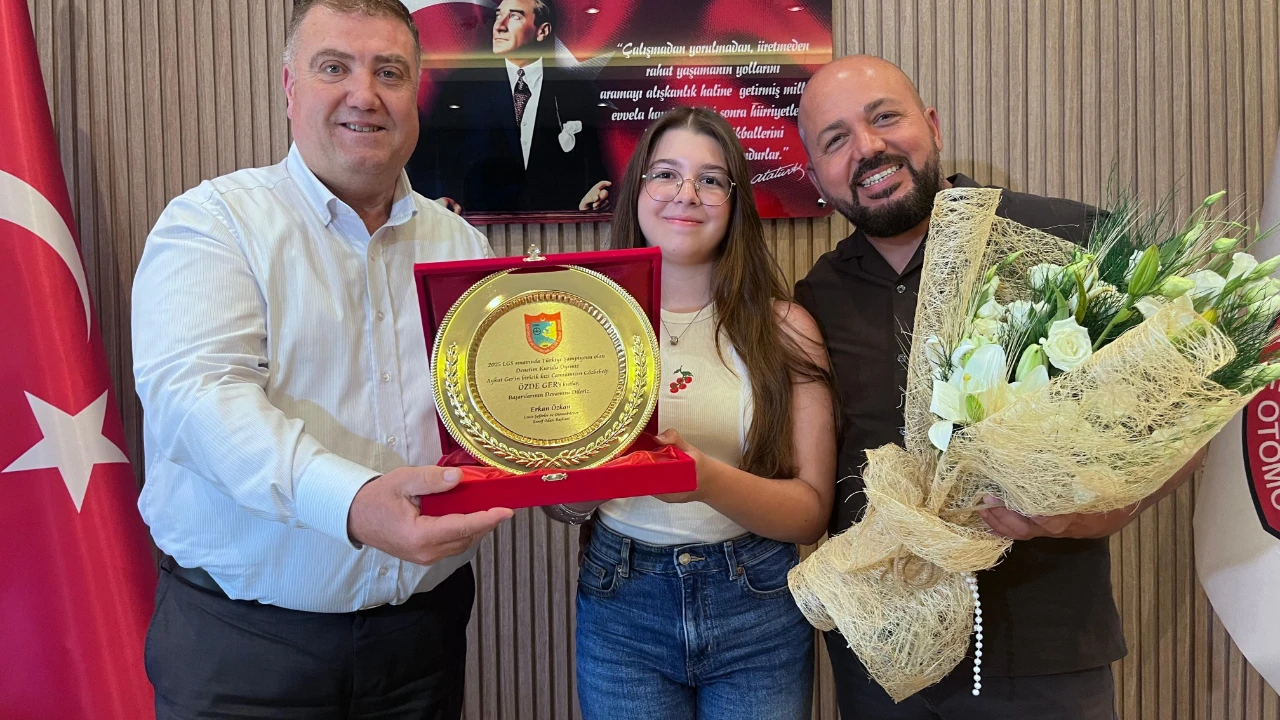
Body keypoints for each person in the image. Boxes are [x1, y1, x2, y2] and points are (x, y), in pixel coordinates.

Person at [793, 54, 1206, 720]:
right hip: (884, 664)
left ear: (933, 126)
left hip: (1046, 659)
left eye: (885, 117)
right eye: (835, 140)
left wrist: (1087, 516)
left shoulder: (1069, 238)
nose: (867, 148)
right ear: (817, 177)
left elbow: (1184, 417)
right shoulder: (816, 297)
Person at [130, 1, 513, 717]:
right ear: (289, 88)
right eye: (334, 67)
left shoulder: (462, 247)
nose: (364, 94)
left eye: (389, 73)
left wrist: (577, 457)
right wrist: (352, 503)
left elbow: (494, 409)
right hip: (245, 652)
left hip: (422, 641)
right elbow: (198, 401)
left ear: (415, 94)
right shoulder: (213, 224)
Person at [543, 106, 837, 719]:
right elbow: (559, 505)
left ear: (735, 202)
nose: (686, 194)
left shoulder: (787, 329)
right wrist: (584, 479)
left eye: (710, 179)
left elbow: (810, 514)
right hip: (621, 601)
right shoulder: (578, 327)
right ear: (636, 190)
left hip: (758, 602)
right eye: (665, 174)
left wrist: (703, 480)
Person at [408, 0, 611, 214]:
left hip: (557, 226)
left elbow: (592, 170)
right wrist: (441, 200)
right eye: (498, 15)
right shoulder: (463, 88)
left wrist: (594, 195)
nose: (499, 26)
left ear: (542, 31)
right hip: (480, 225)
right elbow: (434, 161)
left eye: (514, 16)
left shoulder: (577, 91)